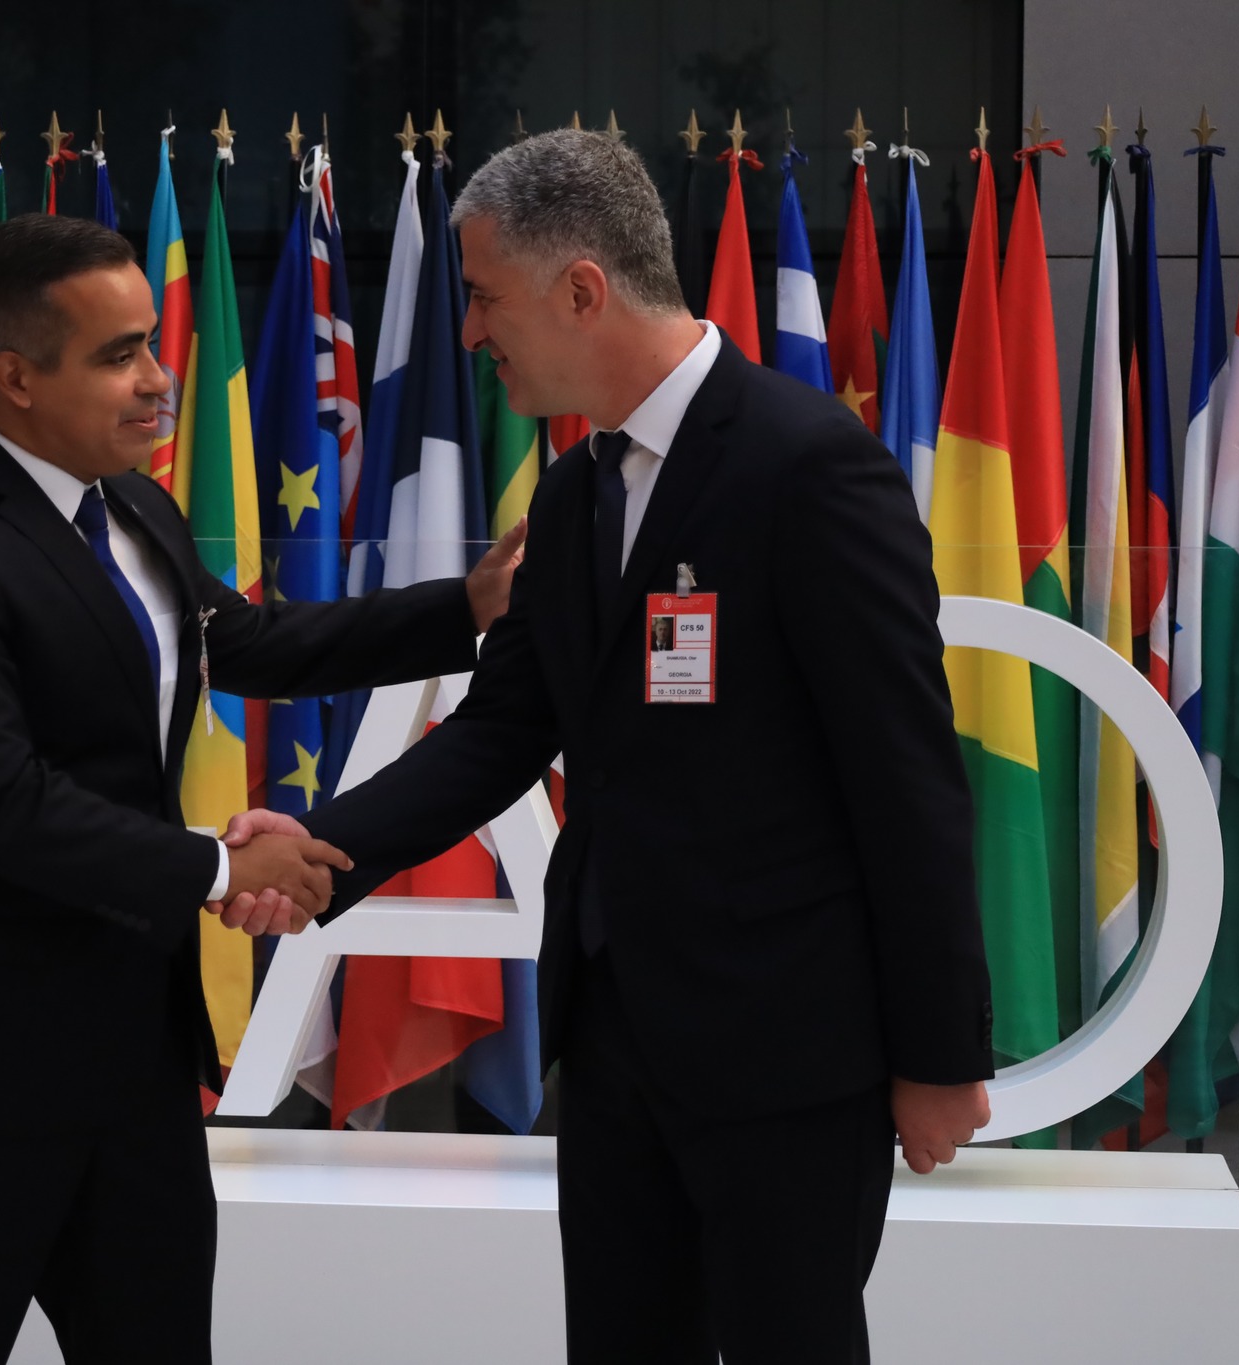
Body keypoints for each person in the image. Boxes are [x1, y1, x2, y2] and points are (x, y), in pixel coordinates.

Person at [221, 130, 993, 1363]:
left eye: (484, 297)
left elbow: (905, 781)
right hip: (615, 1036)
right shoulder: (575, 493)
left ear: (581, 290)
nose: (470, 331)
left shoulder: (808, 467)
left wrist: (939, 1056)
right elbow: (502, 729)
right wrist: (322, 846)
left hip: (788, 1049)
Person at [0, 212, 524, 1365]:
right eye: (119, 354)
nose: (157, 380)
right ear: (15, 378)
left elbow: (245, 643)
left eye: (150, 343)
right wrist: (221, 867)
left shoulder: (132, 504)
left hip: (135, 1062)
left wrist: (464, 607)